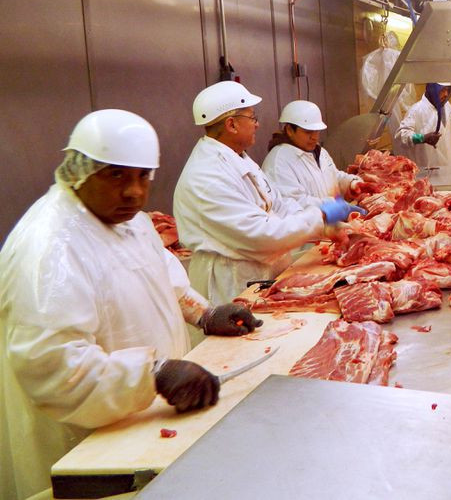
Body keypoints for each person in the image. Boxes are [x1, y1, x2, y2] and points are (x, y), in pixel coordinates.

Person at [0, 110, 262, 499]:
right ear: (79, 170)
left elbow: (166, 279)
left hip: (148, 420)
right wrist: (152, 375)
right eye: (116, 175)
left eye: (143, 176)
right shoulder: (49, 246)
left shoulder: (130, 220)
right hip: (85, 443)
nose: (134, 192)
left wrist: (204, 314)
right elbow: (53, 368)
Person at [174, 81, 365, 306]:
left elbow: (278, 205)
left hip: (260, 272)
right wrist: (321, 215)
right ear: (231, 124)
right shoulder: (208, 175)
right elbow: (259, 234)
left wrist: (325, 224)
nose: (257, 124)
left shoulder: (239, 159)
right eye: (252, 117)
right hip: (230, 284)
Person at [261, 100, 368, 209]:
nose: (315, 137)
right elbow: (291, 204)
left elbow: (333, 177)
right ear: (289, 130)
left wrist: (351, 184)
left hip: (330, 223)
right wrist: (333, 206)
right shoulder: (279, 161)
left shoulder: (319, 152)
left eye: (317, 131)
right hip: (306, 225)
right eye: (308, 132)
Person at [395, 82, 451, 168]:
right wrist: (422, 138)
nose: (446, 94)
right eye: (442, 90)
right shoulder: (416, 110)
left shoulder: (447, 106)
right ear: (432, 89)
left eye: (448, 90)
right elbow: (401, 135)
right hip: (431, 170)